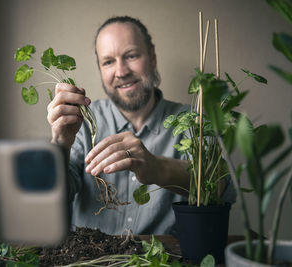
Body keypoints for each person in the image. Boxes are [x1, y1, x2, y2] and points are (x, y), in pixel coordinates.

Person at [47, 16, 234, 235]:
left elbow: (221, 188)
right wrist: (60, 145)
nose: (121, 71)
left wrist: (157, 167)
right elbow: (49, 202)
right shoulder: (81, 122)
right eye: (108, 61)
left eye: (131, 56)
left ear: (152, 57)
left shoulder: (193, 121)